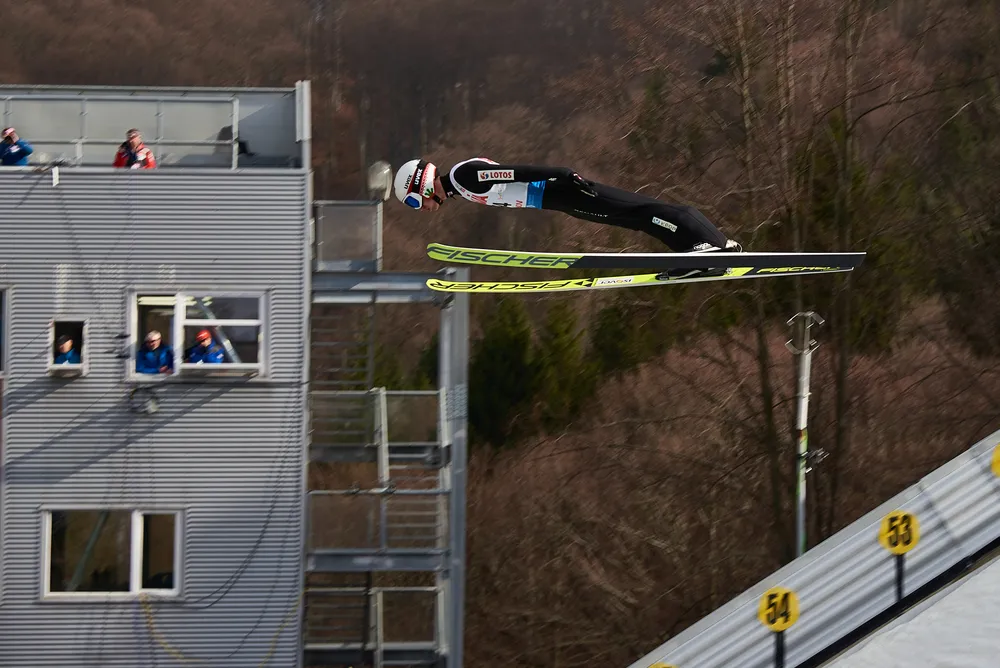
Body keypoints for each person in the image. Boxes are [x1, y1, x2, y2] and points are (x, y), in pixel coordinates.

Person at [393, 157, 742, 278]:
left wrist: (563, 174)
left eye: (413, 201)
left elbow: (516, 172)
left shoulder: (462, 177)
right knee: (637, 218)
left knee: (642, 211)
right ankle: (696, 255)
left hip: (561, 191)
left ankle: (711, 245)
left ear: (421, 185)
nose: (420, 209)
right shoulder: (460, 186)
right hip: (558, 199)